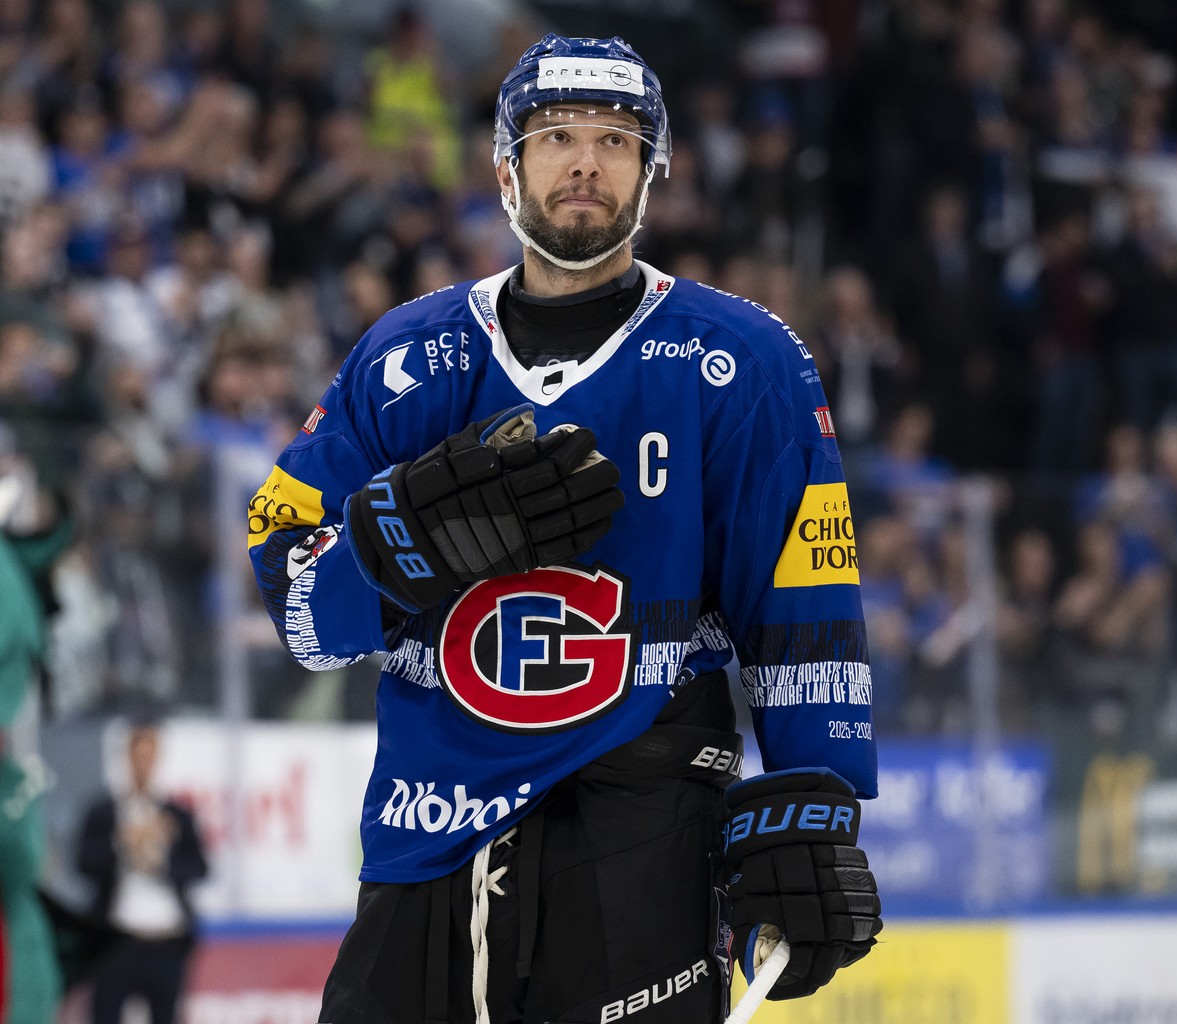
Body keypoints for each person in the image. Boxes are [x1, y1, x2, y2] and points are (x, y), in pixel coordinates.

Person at [246, 33, 882, 1024]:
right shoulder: (404, 358)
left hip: (645, 828)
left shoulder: (745, 360)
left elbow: (803, 606)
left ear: (652, 172)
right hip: (430, 823)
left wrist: (817, 803)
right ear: (506, 165)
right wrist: (394, 543)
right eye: (555, 138)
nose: (585, 163)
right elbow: (301, 615)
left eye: (616, 141)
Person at [75, 718, 208, 1024]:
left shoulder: (176, 816)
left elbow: (200, 868)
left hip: (166, 942)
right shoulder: (103, 813)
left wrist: (160, 856)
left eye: (150, 756)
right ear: (126, 758)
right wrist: (123, 844)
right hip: (116, 942)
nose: (144, 764)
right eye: (138, 755)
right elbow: (83, 864)